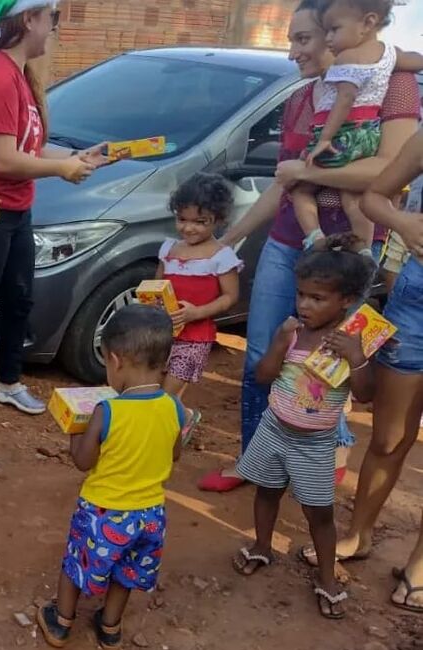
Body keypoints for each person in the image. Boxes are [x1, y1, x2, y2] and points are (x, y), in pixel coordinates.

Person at [197, 0, 420, 493]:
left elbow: (390, 169)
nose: (293, 49)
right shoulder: (302, 98)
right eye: (293, 38)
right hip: (287, 241)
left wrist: (308, 172)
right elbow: (282, 185)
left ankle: (319, 451)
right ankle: (254, 459)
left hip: (354, 252)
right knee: (264, 350)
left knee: (331, 359)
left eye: (305, 38)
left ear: (333, 35)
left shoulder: (393, 84)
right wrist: (228, 240)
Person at [0, 0, 106, 431]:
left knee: (18, 299)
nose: (54, 28)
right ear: (29, 19)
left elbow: (27, 148)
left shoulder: (17, 76)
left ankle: (8, 381)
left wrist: (75, 157)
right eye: (52, 18)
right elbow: (4, 160)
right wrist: (61, 168)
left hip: (14, 209)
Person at [299, 129, 423, 612]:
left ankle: (419, 566)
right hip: (414, 307)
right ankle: (359, 535)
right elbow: (374, 197)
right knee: (389, 439)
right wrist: (404, 224)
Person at [231, 239, 377, 620]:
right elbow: (262, 377)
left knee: (320, 514)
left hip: (314, 443)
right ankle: (262, 545)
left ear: (345, 300)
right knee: (267, 492)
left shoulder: (350, 341)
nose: (304, 305)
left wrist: (357, 357)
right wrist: (280, 343)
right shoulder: (292, 333)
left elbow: (365, 396)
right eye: (301, 295)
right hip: (274, 428)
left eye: (317, 298)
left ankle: (327, 578)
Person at [36, 304, 183, 650]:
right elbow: (174, 454)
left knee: (76, 563)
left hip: (103, 511)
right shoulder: (174, 407)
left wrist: (76, 428)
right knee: (128, 573)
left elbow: (83, 462)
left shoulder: (108, 410)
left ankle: (62, 621)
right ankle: (110, 628)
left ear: (115, 361)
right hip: (150, 515)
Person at [290, 0, 423, 249]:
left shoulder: (347, 60)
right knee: (353, 196)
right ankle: (362, 249)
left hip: (342, 136)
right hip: (367, 135)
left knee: (300, 189)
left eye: (334, 29)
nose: (330, 37)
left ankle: (314, 238)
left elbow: (345, 99)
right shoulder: (389, 55)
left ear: (368, 23)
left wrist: (324, 141)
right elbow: (416, 59)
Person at [157, 173, 243, 442]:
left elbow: (230, 297)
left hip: (195, 337)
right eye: (182, 219)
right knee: (155, 388)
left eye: (199, 222)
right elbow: (157, 283)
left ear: (217, 220)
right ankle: (167, 425)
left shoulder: (221, 257)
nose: (188, 228)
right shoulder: (169, 249)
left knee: (166, 392)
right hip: (162, 332)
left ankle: (186, 417)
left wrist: (197, 312)